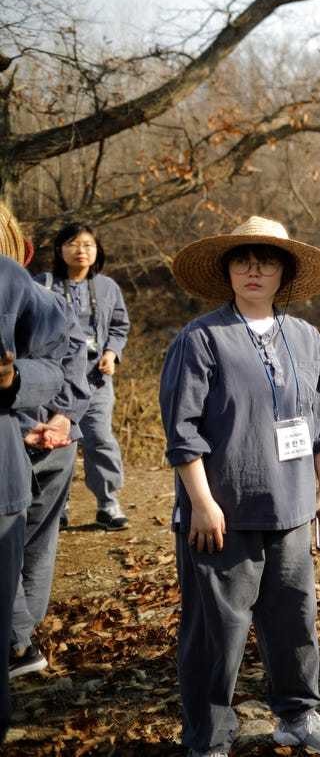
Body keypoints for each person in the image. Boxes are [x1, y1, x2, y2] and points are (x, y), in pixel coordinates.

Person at [161, 217, 320, 757]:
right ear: (227, 270)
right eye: (243, 259)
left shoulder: (306, 338)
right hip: (222, 513)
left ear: (284, 270)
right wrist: (201, 503)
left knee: (295, 621)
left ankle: (297, 716)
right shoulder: (201, 338)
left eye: (266, 259)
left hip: (291, 509)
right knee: (216, 632)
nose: (254, 269)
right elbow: (182, 430)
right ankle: (210, 738)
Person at [2, 207, 91, 682]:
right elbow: (78, 362)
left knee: (13, 542)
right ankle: (23, 641)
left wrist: (52, 420)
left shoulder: (21, 294)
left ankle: (18, 643)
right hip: (56, 434)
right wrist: (62, 417)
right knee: (37, 543)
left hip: (29, 440)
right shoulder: (46, 299)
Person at [0, 214, 70, 743]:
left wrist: (16, 379)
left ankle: (21, 638)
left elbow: (55, 366)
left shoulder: (10, 281)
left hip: (7, 473)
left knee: (36, 545)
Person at [35, 223, 131, 530]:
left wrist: (112, 353)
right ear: (60, 250)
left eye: (88, 245)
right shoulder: (42, 284)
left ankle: (107, 503)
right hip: (53, 378)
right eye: (73, 244)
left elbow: (119, 326)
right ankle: (56, 505)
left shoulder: (107, 287)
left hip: (96, 379)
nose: (81, 250)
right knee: (55, 439)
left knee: (99, 438)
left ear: (97, 251)